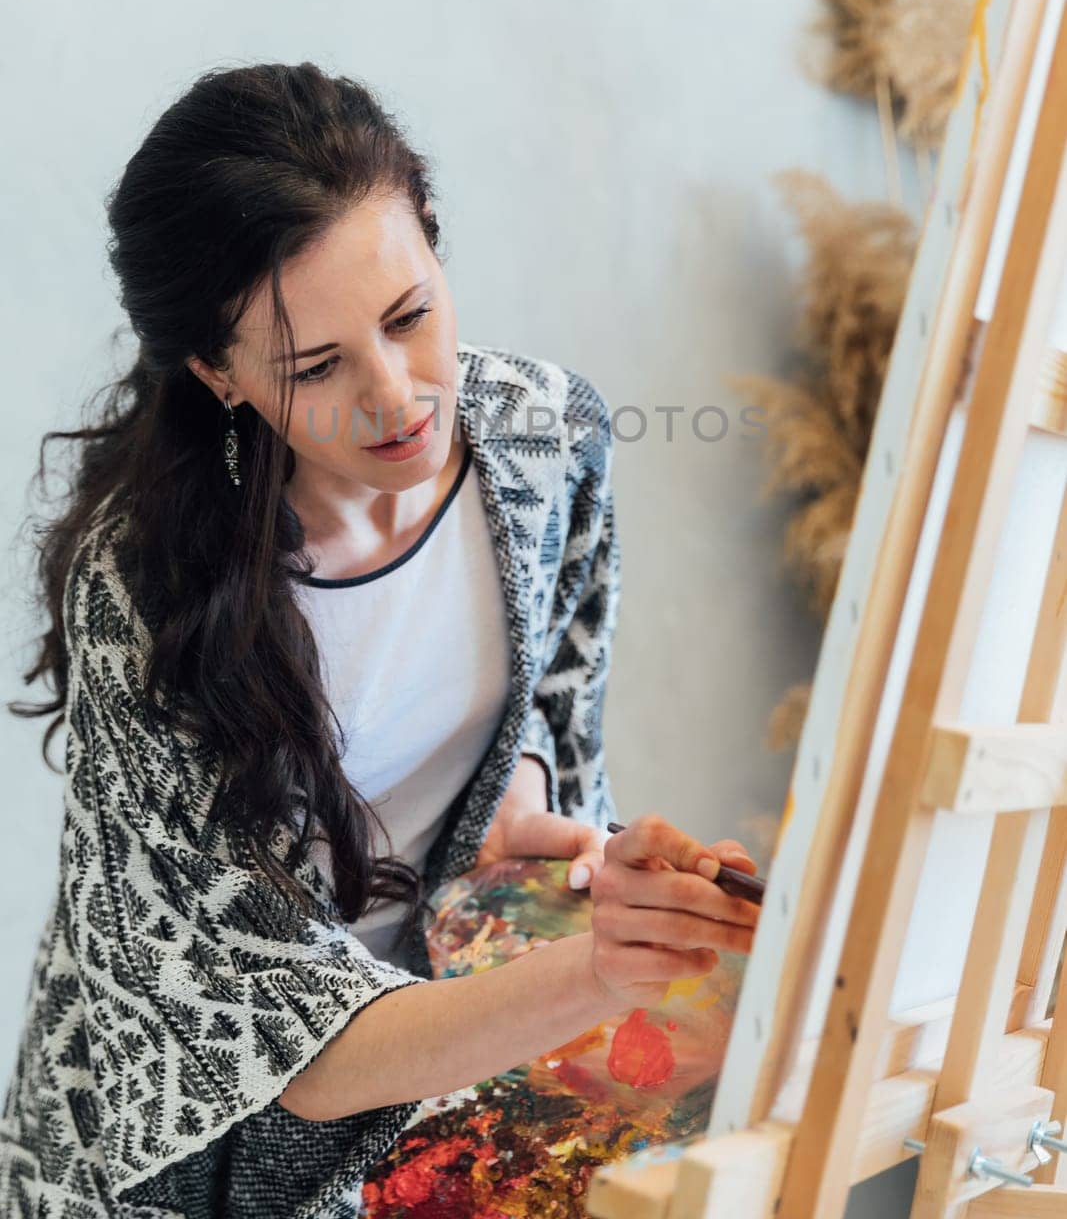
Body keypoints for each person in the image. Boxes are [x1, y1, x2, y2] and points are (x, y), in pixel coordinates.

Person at [0, 61, 761, 1218]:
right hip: (210, 1132)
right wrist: (596, 967)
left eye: (410, 316)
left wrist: (535, 819)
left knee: (754, 1053)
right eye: (316, 367)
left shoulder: (547, 440)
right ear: (219, 375)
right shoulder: (146, 587)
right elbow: (260, 1054)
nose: (397, 396)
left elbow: (547, 718)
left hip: (447, 970)